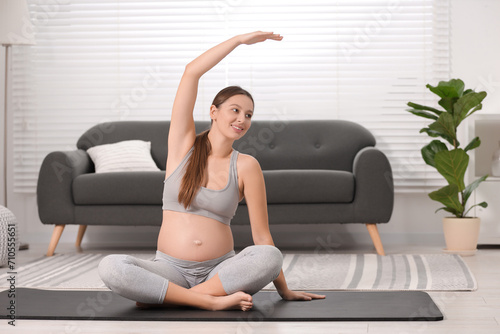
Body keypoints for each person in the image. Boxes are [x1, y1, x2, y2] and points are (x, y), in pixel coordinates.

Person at [99, 31, 325, 311]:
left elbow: (263, 238)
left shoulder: (246, 166)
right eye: (235, 110)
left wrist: (285, 290)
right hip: (170, 270)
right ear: (214, 111)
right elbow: (191, 72)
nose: (242, 119)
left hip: (221, 272)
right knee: (111, 267)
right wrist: (239, 41)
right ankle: (207, 302)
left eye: (249, 114)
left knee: (269, 255)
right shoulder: (183, 147)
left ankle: (179, 297)